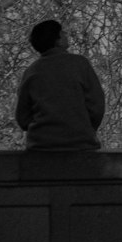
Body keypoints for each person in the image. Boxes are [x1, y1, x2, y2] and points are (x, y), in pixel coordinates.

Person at [14, 19, 105, 150]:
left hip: (40, 148)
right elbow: (97, 105)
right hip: (81, 145)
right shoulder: (79, 64)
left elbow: (22, 118)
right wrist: (83, 127)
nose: (66, 34)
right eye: (63, 33)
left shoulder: (31, 71)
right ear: (58, 40)